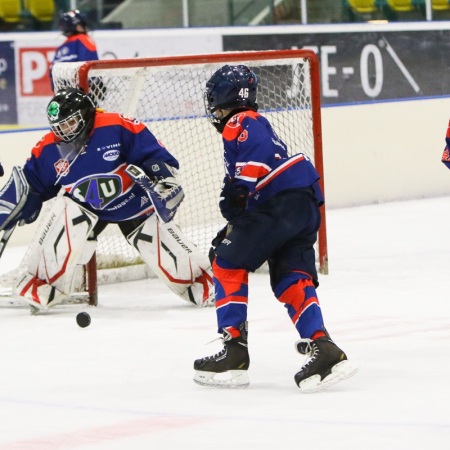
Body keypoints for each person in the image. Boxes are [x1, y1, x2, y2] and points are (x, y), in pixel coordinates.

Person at [193, 65, 357, 392]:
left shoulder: (241, 120)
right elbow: (258, 167)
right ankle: (324, 347)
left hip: (279, 203)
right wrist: (238, 207)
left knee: (224, 262)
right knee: (289, 279)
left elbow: (257, 154)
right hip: (303, 205)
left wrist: (239, 188)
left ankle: (234, 351)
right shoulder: (253, 128)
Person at [0, 87, 213, 311]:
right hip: (86, 208)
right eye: (58, 127)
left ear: (86, 115)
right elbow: (31, 185)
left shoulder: (116, 125)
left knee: (167, 251)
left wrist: (163, 178)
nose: (63, 132)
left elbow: (152, 155)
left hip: (134, 203)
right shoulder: (48, 149)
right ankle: (43, 284)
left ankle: (202, 283)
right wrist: (17, 207)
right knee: (65, 210)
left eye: (69, 124)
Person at [50, 10, 99, 91]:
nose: (84, 28)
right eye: (81, 25)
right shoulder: (84, 40)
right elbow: (89, 65)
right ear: (73, 26)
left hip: (62, 96)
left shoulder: (60, 49)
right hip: (82, 93)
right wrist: (96, 83)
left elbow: (52, 79)